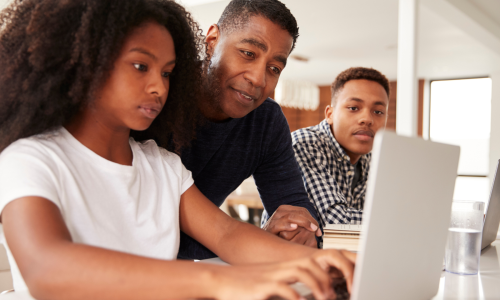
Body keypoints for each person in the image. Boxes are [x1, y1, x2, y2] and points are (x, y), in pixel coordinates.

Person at [0, 0, 356, 299]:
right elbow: (44, 267)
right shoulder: (30, 160)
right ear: (87, 62)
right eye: (141, 66)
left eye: (168, 73)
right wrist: (220, 281)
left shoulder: (163, 165)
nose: (158, 86)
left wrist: (323, 262)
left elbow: (228, 234)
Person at [174, 0, 322, 260]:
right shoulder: (159, 97)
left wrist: (298, 229)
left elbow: (293, 205)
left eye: (274, 68)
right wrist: (256, 240)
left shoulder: (266, 122)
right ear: (212, 41)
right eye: (248, 53)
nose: (259, 79)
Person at [292, 67, 389, 229]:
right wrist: (403, 221)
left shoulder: (371, 157)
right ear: (330, 114)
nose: (367, 119)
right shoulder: (306, 144)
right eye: (353, 108)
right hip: (295, 254)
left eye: (378, 111)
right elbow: (334, 223)